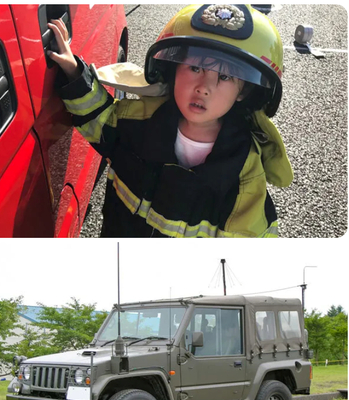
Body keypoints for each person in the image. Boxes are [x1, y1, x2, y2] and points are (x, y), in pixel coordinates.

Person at [47, 4, 290, 237]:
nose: (204, 88)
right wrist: (74, 75)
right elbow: (100, 120)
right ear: (172, 71)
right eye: (195, 68)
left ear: (244, 92)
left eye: (225, 76)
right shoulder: (138, 121)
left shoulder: (244, 171)